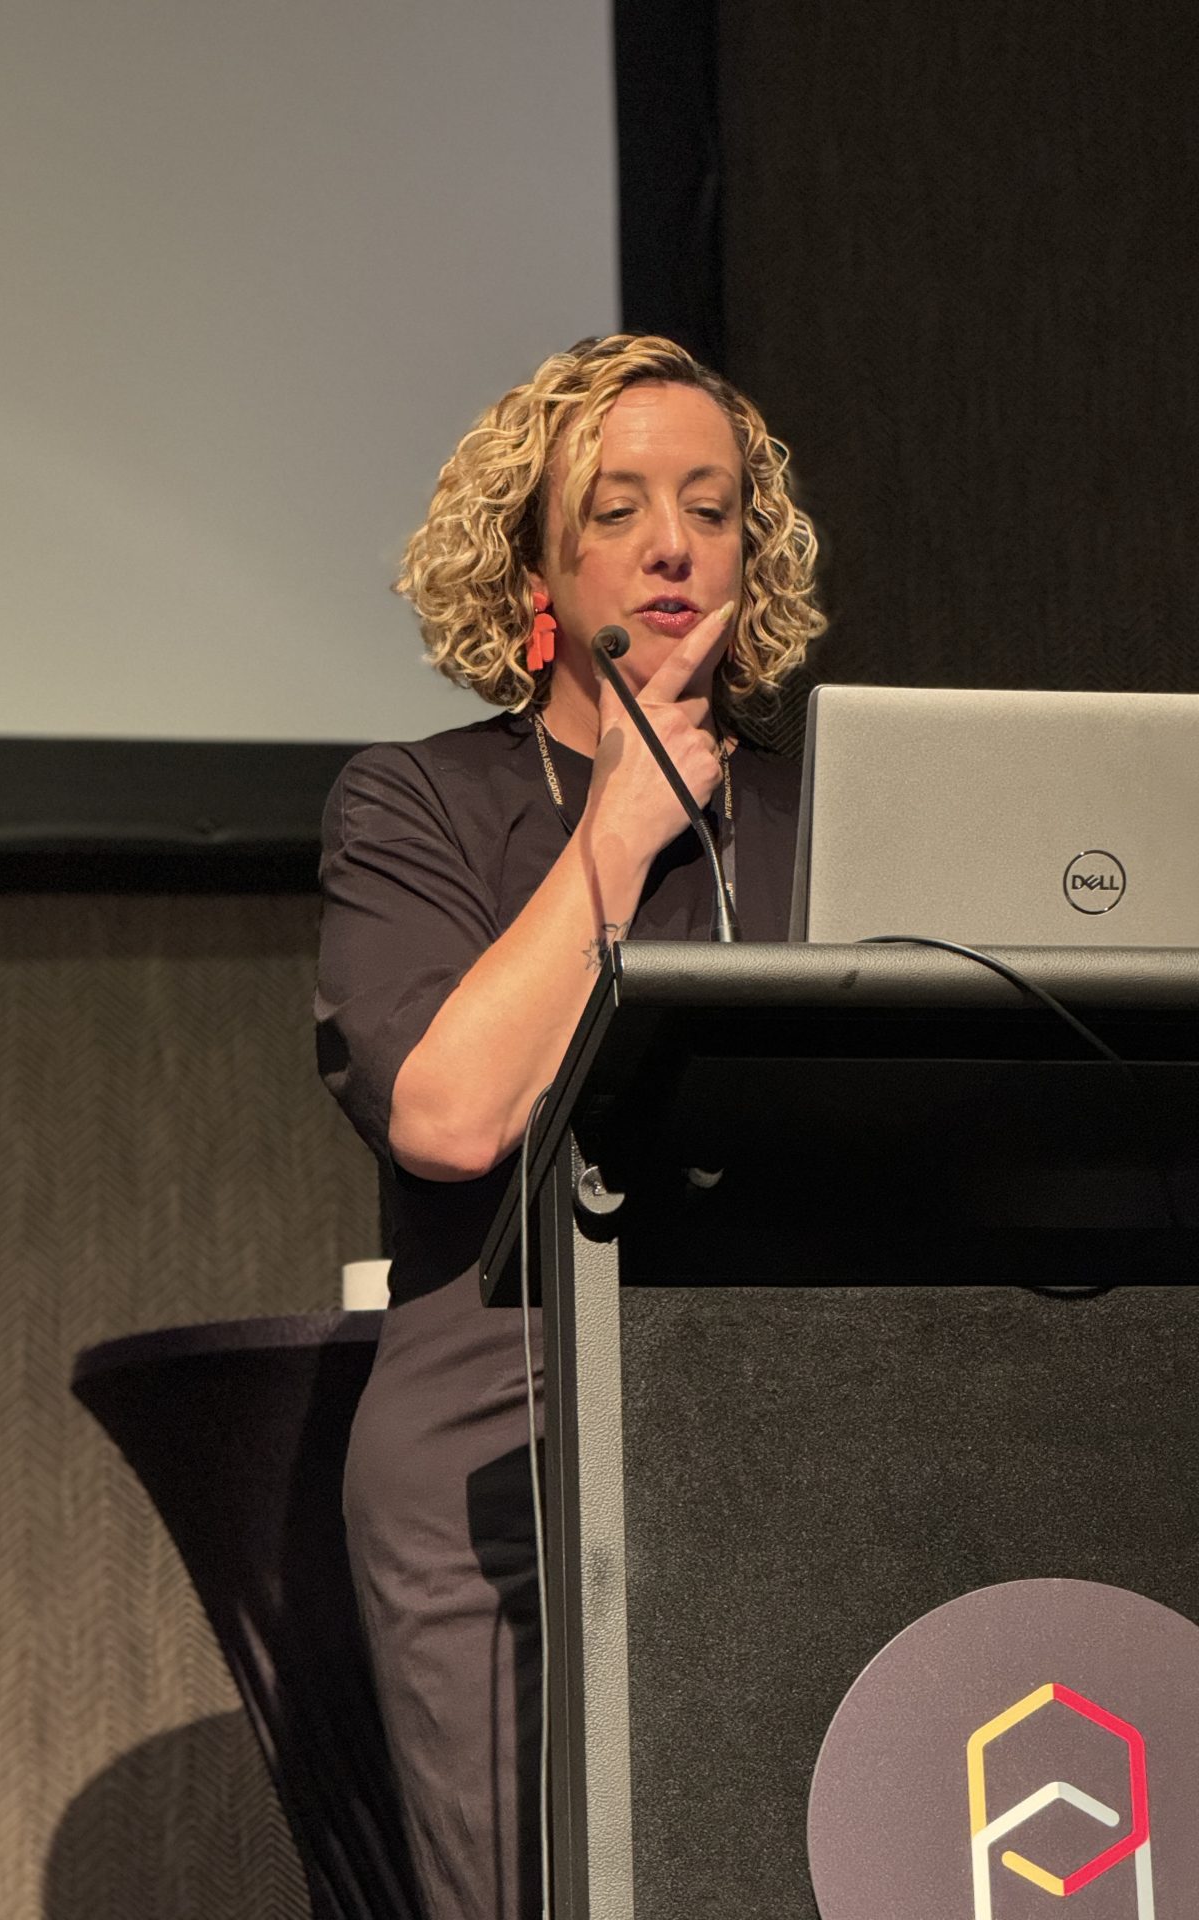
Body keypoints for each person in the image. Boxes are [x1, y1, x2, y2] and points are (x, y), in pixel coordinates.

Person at [316, 332, 825, 1920]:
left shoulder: (828, 819)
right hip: (503, 1444)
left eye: (712, 505)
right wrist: (616, 835)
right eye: (617, 508)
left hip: (793, 1421)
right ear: (534, 558)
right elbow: (452, 1118)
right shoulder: (417, 805)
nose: (676, 542)